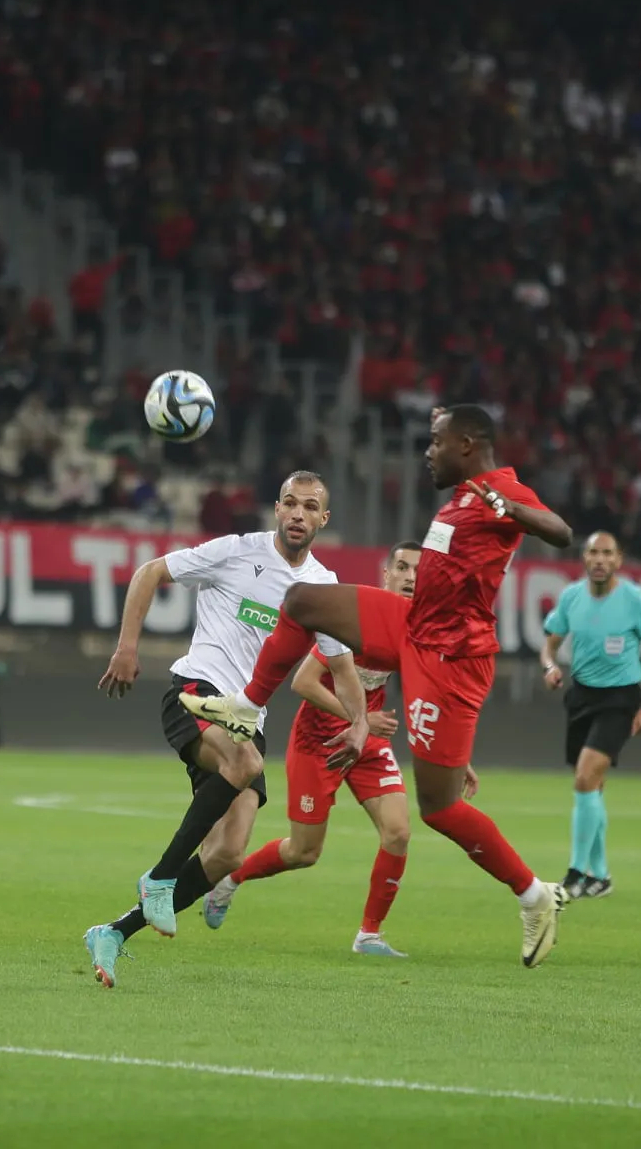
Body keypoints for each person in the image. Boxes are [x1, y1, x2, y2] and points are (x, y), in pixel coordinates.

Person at [181, 405, 576, 968]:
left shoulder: (502, 490)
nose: (428, 451)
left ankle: (535, 896)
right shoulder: (462, 494)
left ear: (466, 444)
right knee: (303, 601)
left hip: (450, 659)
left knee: (437, 809)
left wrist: (509, 507)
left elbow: (561, 533)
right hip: (412, 626)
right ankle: (246, 705)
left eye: (436, 441)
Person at [82, 471, 370, 988]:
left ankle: (114, 932)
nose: (298, 514)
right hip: (196, 689)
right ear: (276, 510)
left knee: (227, 854)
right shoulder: (236, 551)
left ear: (324, 519)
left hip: (246, 719)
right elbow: (149, 572)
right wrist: (127, 647)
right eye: (289, 503)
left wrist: (361, 721)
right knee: (246, 763)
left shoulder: (323, 589)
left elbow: (344, 669)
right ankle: (160, 878)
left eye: (309, 506)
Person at [200, 542, 425, 957]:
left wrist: (455, 757)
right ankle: (229, 882)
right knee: (304, 852)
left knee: (398, 832)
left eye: (419, 570)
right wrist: (360, 719)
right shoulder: (355, 620)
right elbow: (303, 682)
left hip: (367, 742)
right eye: (403, 567)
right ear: (386, 576)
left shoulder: (417, 626)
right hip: (318, 741)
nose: (411, 576)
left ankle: (369, 935)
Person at [540, 531, 641, 899]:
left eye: (607, 553)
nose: (599, 559)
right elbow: (549, 645)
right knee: (592, 786)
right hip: (582, 696)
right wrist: (549, 667)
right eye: (593, 552)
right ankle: (602, 877)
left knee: (584, 778)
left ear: (618, 560)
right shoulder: (570, 597)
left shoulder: (633, 599)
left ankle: (576, 875)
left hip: (620, 698)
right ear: (584, 558)